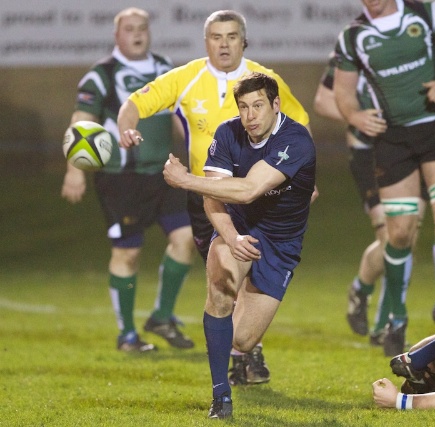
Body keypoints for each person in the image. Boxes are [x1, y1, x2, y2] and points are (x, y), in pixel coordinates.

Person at [118, 9, 310, 384]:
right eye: (216, 37)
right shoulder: (186, 79)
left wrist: (303, 177)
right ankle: (243, 359)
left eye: (232, 36)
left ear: (244, 40)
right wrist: (127, 129)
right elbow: (134, 105)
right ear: (206, 42)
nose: (224, 44)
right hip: (211, 202)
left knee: (253, 280)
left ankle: (246, 353)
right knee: (226, 279)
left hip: (262, 200)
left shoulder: (266, 81)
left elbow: (299, 124)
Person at [162, 72, 316, 419]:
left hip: (280, 242)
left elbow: (248, 189)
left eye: (259, 105)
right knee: (219, 287)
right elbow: (214, 197)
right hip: (239, 226)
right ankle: (221, 397)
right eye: (244, 107)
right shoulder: (228, 133)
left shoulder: (296, 139)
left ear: (276, 105)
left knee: (243, 341)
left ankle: (239, 332)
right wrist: (230, 238)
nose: (251, 115)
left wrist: (186, 179)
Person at [332, 0, 435, 353]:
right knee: (398, 232)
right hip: (393, 139)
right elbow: (343, 94)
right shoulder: (353, 37)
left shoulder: (427, 12)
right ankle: (396, 318)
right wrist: (355, 117)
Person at [60, 7, 195, 352]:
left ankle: (162, 316)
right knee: (128, 253)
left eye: (142, 28)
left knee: (187, 238)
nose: (137, 34)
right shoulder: (101, 75)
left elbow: (182, 117)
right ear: (117, 35)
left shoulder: (166, 68)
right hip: (121, 180)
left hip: (165, 173)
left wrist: (200, 154)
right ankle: (128, 336)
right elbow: (81, 120)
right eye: (129, 29)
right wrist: (74, 170)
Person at [313, 53, 428, 353]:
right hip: (371, 154)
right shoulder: (351, 50)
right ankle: (362, 291)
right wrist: (359, 115)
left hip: (415, 148)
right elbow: (322, 101)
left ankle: (384, 326)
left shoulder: (415, 43)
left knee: (408, 238)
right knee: (390, 237)